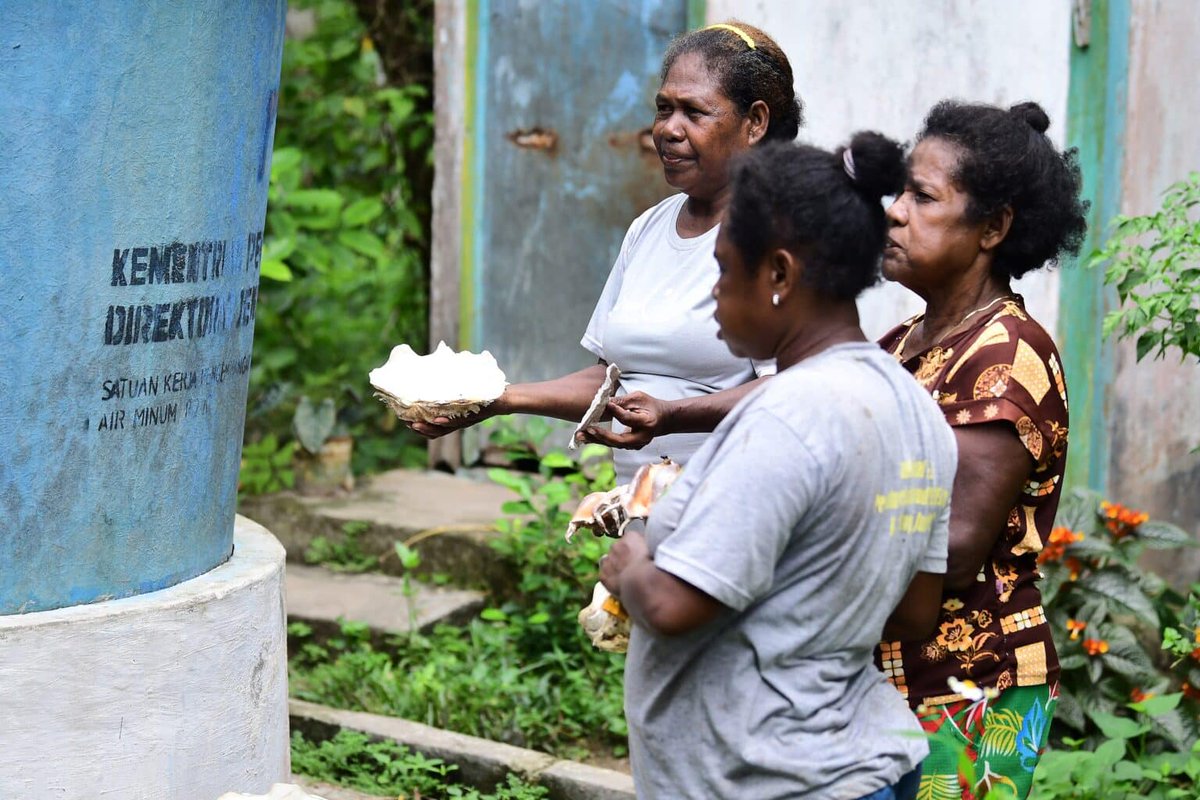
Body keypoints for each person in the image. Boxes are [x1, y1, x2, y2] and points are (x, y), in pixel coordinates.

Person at [600, 133, 958, 800]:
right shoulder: (916, 410)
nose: (712, 297)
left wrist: (631, 564)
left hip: (769, 776)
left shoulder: (786, 417)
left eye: (724, 270)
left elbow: (675, 606)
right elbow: (913, 612)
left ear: (779, 275)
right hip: (863, 761)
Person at [411, 22, 802, 484]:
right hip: (641, 511)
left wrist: (674, 414)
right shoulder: (648, 229)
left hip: (733, 512)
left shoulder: (782, 236)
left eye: (694, 112)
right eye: (663, 109)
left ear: (754, 122)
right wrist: (496, 399)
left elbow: (796, 391)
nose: (668, 130)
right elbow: (612, 380)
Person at [873, 100, 1087, 800]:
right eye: (900, 191)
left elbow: (955, 548)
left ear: (994, 227)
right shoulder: (904, 341)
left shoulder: (1009, 354)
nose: (894, 211)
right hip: (890, 675)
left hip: (971, 688)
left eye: (923, 197)